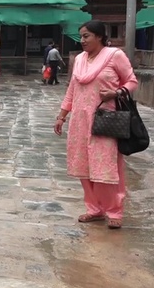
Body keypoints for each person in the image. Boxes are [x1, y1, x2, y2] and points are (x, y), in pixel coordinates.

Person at [54, 20, 138, 230]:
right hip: (80, 121)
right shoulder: (80, 59)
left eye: (86, 36)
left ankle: (114, 210)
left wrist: (116, 92)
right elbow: (72, 91)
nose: (82, 40)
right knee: (83, 167)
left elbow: (131, 81)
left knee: (106, 167)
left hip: (105, 120)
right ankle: (94, 209)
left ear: (99, 36)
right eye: (81, 36)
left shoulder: (114, 56)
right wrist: (62, 116)